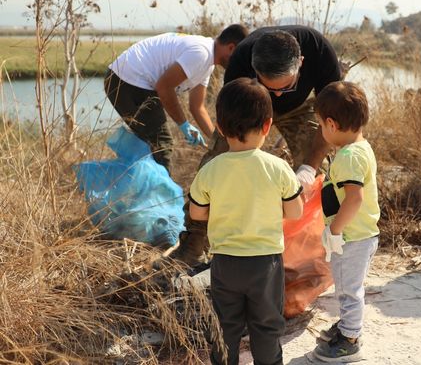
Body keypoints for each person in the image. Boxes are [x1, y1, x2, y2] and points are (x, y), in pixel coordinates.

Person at [169, 25, 342, 267]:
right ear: (255, 70)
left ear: (301, 62)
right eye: (272, 88)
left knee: (319, 171)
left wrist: (308, 168)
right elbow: (232, 120)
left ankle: (309, 247)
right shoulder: (240, 60)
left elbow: (330, 118)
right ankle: (194, 244)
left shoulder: (320, 52)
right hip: (252, 109)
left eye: (287, 86)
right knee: (216, 163)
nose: (279, 96)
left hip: (301, 109)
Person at [188, 77, 303, 365]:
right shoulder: (278, 168)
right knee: (266, 327)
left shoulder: (210, 170)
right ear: (267, 125)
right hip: (266, 264)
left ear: (221, 127)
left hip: (225, 263)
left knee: (225, 327)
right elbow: (296, 212)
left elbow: (197, 214)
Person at [104, 24, 248, 170]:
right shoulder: (201, 53)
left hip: (131, 81)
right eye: (238, 58)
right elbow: (164, 87)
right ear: (231, 48)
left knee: (148, 145)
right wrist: (183, 124)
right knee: (162, 145)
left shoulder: (207, 64)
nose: (237, 64)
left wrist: (217, 141)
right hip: (127, 79)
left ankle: (128, 186)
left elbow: (197, 107)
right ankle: (162, 192)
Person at [311, 81, 380, 362]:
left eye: (321, 126)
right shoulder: (359, 148)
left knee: (348, 289)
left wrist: (335, 231)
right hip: (360, 235)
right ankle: (346, 327)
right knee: (348, 285)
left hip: (351, 238)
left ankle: (350, 339)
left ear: (331, 124)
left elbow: (354, 198)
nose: (322, 132)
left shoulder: (349, 157)